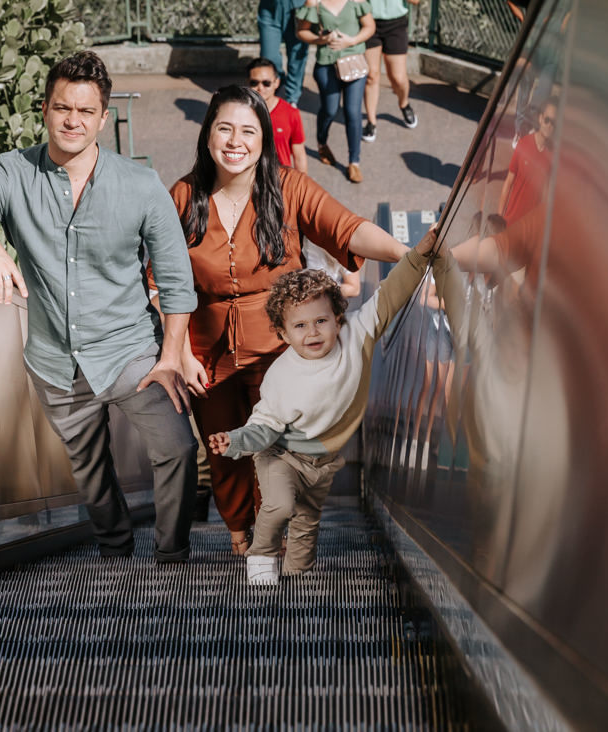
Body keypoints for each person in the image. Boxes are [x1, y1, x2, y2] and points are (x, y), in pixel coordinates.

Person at [0, 51, 198, 562]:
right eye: (61, 108)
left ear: (104, 117)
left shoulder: (141, 186)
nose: (72, 120)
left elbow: (176, 281)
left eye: (84, 111)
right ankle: (116, 554)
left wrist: (171, 357)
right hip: (54, 359)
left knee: (179, 448)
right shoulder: (13, 172)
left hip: (131, 351)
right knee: (91, 471)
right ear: (45, 109)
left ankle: (171, 556)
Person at [162, 85, 408, 555]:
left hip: (281, 352)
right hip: (206, 352)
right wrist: (178, 353)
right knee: (225, 450)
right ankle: (239, 536)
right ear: (208, 134)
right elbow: (162, 281)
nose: (236, 141)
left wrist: (408, 255)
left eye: (248, 131)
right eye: (225, 129)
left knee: (278, 448)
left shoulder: (290, 186)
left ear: (263, 140)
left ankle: (273, 543)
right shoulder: (184, 194)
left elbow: (348, 229)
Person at [208, 226, 438, 584]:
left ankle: (298, 583)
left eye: (321, 321)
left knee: (305, 521)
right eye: (299, 326)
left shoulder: (357, 336)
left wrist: (419, 254)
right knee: (281, 505)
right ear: (283, 335)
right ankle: (261, 556)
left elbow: (390, 295)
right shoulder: (282, 376)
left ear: (338, 320)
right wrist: (235, 441)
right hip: (280, 454)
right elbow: (264, 426)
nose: (312, 333)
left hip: (323, 460)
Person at [296, 0, 376, 183]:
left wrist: (352, 40)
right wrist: (321, 39)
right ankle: (322, 143)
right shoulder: (314, 2)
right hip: (327, 64)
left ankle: (354, 162)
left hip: (354, 62)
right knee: (330, 109)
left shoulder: (357, 1)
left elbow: (370, 26)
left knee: (352, 112)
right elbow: (301, 31)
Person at [362, 0, 419, 142]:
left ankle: (404, 104)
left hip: (396, 24)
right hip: (368, 19)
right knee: (371, 75)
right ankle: (371, 122)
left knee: (397, 77)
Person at [497, 97, 557, 226]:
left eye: (554, 123)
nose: (550, 126)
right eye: (547, 120)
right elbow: (508, 183)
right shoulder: (523, 144)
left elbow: (546, 195)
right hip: (509, 223)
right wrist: (499, 218)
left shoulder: (552, 155)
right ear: (540, 118)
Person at [246, 57, 308, 173]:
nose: (260, 88)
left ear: (276, 83)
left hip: (280, 179)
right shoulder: (241, 112)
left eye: (266, 83)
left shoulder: (291, 113)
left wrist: (302, 185)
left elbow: (299, 154)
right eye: (254, 83)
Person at [257, 0, 309, 107]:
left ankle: (292, 97)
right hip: (269, 8)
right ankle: (277, 82)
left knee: (297, 56)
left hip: (298, 7)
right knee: (269, 57)